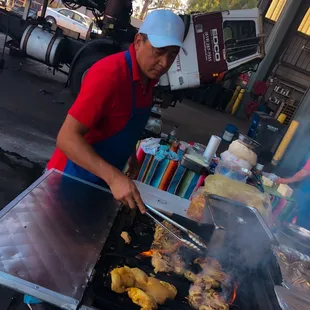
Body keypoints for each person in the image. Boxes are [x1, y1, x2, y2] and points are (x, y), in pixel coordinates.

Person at [25, 9, 185, 310]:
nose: (164, 63)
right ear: (138, 41)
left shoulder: (148, 79)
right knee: (49, 263)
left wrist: (130, 155)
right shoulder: (108, 75)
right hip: (70, 179)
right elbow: (67, 137)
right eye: (159, 52)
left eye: (172, 55)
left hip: (98, 181)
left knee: (77, 258)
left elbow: (122, 121)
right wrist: (114, 176)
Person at [276, 154, 310, 229]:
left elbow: (304, 173)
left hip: (307, 195)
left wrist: (285, 180)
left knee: (300, 221)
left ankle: (281, 233)